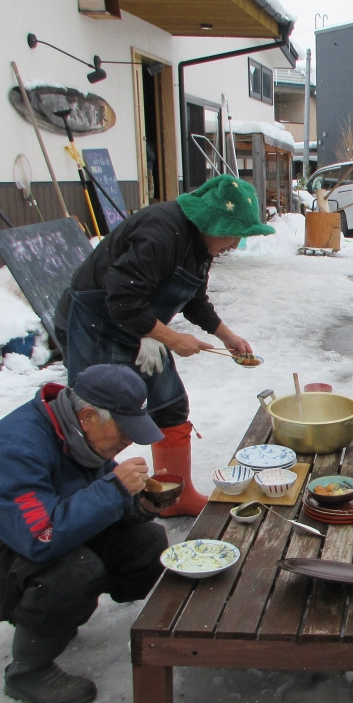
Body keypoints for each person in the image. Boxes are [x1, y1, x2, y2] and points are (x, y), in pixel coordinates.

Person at [0, 365, 171, 703]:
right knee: (75, 570)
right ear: (87, 417)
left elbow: (81, 507)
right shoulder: (12, 451)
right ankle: (28, 671)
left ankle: (50, 616)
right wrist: (114, 489)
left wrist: (140, 505)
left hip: (20, 542)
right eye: (124, 430)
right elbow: (42, 537)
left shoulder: (76, 435)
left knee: (146, 541)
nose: (129, 440)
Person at [55, 174, 271, 516]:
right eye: (233, 235)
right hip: (99, 321)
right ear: (212, 221)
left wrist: (226, 336)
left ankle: (175, 497)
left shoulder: (202, 243)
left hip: (140, 323)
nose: (235, 245)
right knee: (96, 418)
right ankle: (78, 506)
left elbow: (194, 299)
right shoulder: (161, 233)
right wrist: (167, 337)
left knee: (170, 405)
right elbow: (122, 298)